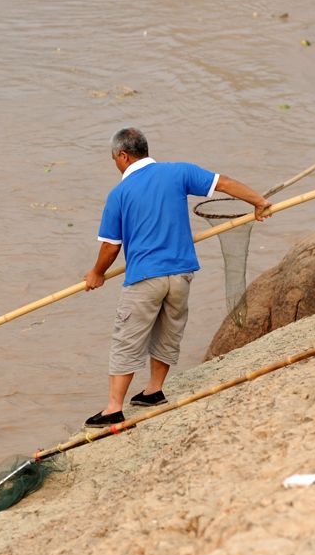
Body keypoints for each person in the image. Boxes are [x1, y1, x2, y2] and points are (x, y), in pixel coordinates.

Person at [83, 128, 271, 427]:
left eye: (114, 159)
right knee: (169, 332)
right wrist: (258, 202)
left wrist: (96, 273)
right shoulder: (178, 172)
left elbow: (110, 246)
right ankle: (154, 390)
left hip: (146, 276)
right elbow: (224, 183)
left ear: (123, 156)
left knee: (127, 338)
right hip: (181, 273)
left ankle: (113, 407)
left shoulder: (120, 193)